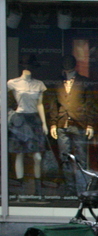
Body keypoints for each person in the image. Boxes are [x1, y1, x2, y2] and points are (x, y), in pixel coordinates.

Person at [48, 54, 95, 196]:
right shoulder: (57, 82)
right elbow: (53, 105)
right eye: (65, 63)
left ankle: (83, 188)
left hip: (79, 123)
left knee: (81, 157)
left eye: (69, 63)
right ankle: (69, 188)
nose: (67, 65)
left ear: (74, 65)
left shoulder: (84, 82)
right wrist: (53, 124)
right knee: (64, 157)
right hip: (62, 124)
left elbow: (90, 104)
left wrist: (90, 125)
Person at [7, 54, 47, 199]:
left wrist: (44, 123)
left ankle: (38, 191)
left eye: (29, 64)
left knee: (37, 156)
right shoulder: (12, 83)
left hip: (34, 119)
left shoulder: (39, 84)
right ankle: (21, 191)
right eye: (24, 64)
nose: (27, 67)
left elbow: (40, 104)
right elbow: (2, 97)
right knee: (20, 154)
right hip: (20, 120)